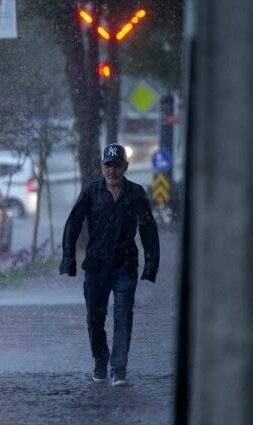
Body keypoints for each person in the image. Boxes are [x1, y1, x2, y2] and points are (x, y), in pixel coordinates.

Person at [60, 143, 159, 386]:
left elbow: (148, 228)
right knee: (95, 318)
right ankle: (100, 363)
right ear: (102, 166)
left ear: (125, 166)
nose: (112, 171)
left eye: (117, 165)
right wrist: (68, 259)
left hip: (125, 265)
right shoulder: (91, 192)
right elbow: (73, 224)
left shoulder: (136, 194)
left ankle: (119, 369)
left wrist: (151, 265)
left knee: (123, 316)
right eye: (108, 165)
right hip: (95, 267)